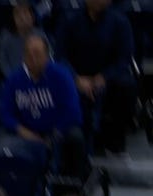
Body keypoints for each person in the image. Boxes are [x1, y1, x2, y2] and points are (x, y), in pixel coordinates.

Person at [0, 34, 87, 181]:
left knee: (76, 138)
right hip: (27, 130)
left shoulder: (61, 75)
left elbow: (73, 113)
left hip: (56, 130)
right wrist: (23, 131)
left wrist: (53, 136)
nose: (32, 57)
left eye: (37, 53)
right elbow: (5, 113)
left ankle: (73, 186)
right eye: (28, 53)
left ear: (47, 55)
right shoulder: (14, 78)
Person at [56, 0, 136, 155]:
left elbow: (124, 58)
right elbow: (60, 55)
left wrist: (104, 77)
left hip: (107, 76)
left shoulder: (120, 21)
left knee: (128, 86)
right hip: (77, 76)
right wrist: (76, 78)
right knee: (59, 81)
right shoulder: (69, 19)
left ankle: (112, 140)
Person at [0, 1, 45, 78]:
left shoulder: (40, 35)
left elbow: (46, 59)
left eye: (25, 13)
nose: (23, 18)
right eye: (18, 15)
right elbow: (2, 60)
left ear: (32, 17)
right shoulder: (6, 36)